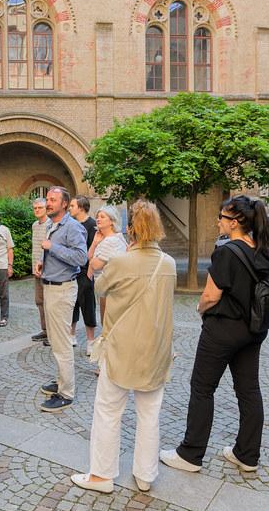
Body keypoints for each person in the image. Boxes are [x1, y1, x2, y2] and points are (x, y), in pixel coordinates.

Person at [160, 195, 269, 475]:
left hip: (223, 329)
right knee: (249, 390)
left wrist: (200, 308)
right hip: (253, 330)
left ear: (235, 222)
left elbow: (211, 295)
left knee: (202, 387)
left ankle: (190, 454)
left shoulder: (226, 252)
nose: (218, 221)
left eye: (222, 217)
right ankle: (247, 455)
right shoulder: (262, 250)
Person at [72, 200, 176, 494]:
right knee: (149, 414)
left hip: (122, 347)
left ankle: (102, 475)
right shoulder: (168, 264)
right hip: (155, 348)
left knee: (108, 410)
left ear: (130, 229)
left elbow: (99, 287)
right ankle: (145, 474)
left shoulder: (121, 261)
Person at [35, 188, 88, 413]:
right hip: (50, 286)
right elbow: (54, 254)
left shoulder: (73, 227)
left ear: (64, 204)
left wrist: (52, 247)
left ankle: (66, 393)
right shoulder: (51, 225)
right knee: (56, 341)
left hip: (63, 290)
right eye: (47, 199)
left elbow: (81, 258)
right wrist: (43, 262)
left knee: (62, 343)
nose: (48, 203)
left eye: (53, 200)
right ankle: (61, 380)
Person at [88, 206, 128, 327]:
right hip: (107, 290)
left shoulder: (111, 241)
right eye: (97, 216)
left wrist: (91, 261)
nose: (98, 219)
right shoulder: (112, 238)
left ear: (111, 221)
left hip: (110, 290)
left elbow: (95, 265)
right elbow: (89, 257)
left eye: (102, 217)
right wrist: (95, 243)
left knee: (108, 326)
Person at [68, 196, 98, 354]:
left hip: (86, 271)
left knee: (88, 306)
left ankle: (91, 341)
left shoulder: (92, 225)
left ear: (80, 207)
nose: (69, 208)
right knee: (71, 304)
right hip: (71, 271)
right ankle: (71, 335)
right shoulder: (70, 224)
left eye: (72, 205)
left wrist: (90, 272)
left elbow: (95, 249)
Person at [30, 198, 50, 345]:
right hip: (36, 270)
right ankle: (45, 330)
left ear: (46, 208)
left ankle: (53, 333)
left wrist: (42, 265)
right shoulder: (35, 225)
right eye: (35, 208)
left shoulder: (51, 225)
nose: (37, 210)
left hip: (48, 270)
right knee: (39, 301)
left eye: (40, 208)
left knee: (49, 302)